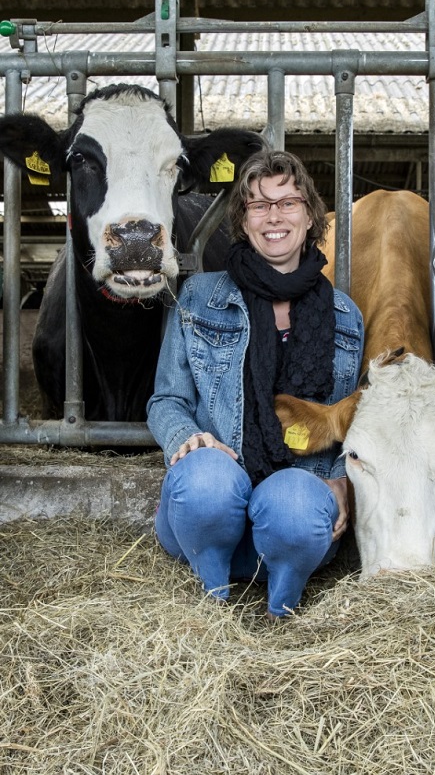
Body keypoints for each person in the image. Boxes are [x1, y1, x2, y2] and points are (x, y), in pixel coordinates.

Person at [147, 150, 363, 619]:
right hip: (206, 517)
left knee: (296, 502)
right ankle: (214, 598)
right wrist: (187, 438)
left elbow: (352, 419)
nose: (274, 216)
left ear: (311, 216)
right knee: (207, 481)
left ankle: (282, 606)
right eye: (258, 205)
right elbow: (166, 400)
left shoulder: (346, 317)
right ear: (242, 221)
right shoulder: (201, 296)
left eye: (288, 202)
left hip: (294, 516)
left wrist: (342, 480)